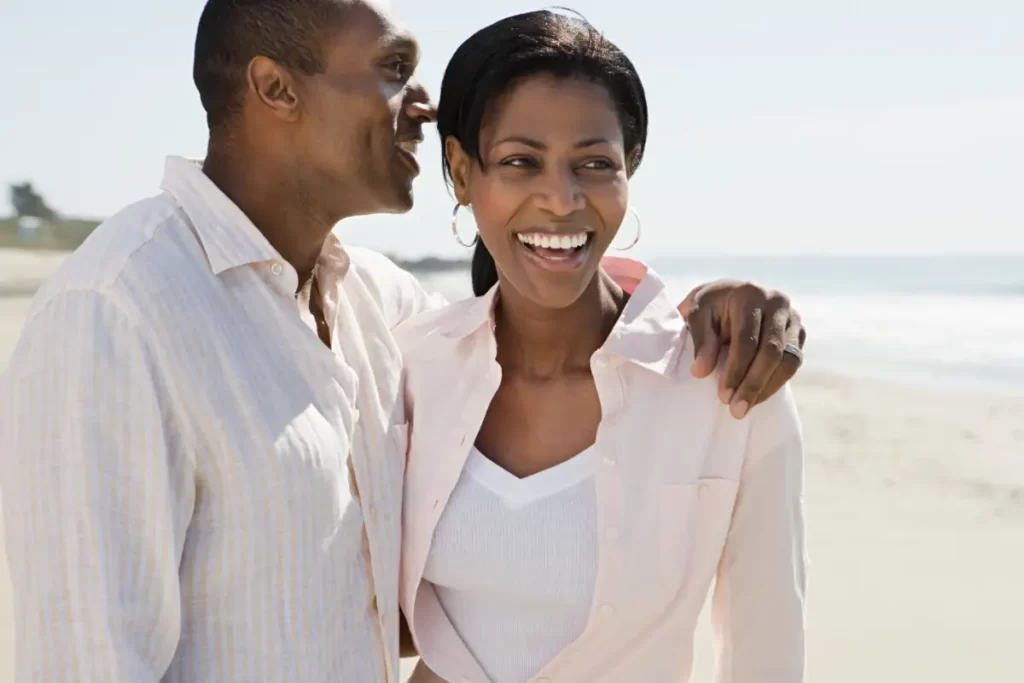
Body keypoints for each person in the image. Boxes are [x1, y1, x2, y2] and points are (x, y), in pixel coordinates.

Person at [0, 1, 804, 681]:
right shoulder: (116, 312)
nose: (421, 103)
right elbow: (84, 655)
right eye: (391, 69)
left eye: (595, 164)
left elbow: (550, 302)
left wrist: (711, 305)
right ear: (275, 88)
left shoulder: (381, 310)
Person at [397, 11, 805, 683]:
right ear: (462, 172)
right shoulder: (410, 369)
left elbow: (769, 654)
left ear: (629, 170)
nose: (562, 200)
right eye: (520, 162)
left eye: (594, 164)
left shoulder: (729, 386)